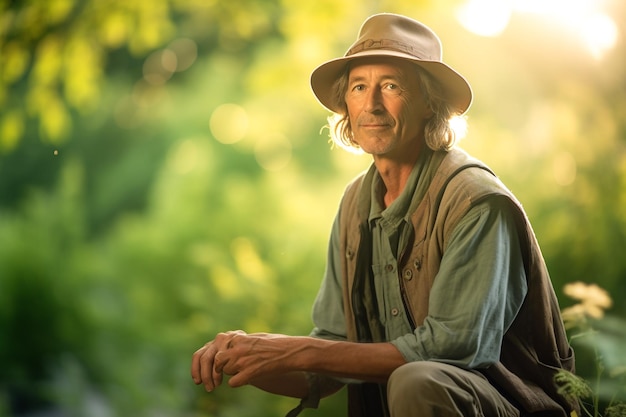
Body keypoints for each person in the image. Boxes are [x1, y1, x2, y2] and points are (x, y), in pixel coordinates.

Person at [191, 13, 579, 417]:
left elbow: (452, 348)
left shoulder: (476, 201)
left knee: (418, 380)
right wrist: (247, 355)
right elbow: (327, 364)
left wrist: (299, 350)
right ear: (346, 105)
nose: (372, 104)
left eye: (391, 86)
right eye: (359, 87)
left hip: (516, 408)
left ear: (431, 103)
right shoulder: (355, 203)